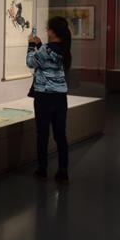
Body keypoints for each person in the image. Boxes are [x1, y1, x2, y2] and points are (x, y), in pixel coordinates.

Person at [27, 16, 73, 184]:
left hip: (44, 97)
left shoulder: (46, 49)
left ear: (53, 32)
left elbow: (30, 62)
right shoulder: (65, 49)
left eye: (48, 29)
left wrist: (31, 45)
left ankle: (42, 170)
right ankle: (63, 172)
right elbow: (49, 58)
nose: (46, 31)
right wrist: (40, 44)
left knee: (43, 134)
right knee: (60, 135)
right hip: (60, 97)